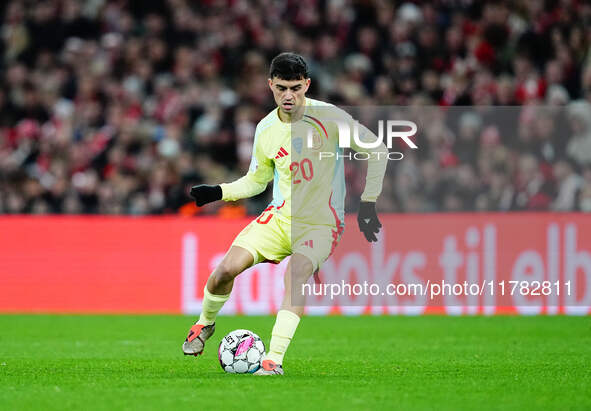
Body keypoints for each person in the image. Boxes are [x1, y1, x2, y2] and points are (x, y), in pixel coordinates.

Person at [182, 52, 388, 375]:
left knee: (296, 275)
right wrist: (218, 192)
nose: (288, 96)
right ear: (270, 86)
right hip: (279, 218)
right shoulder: (266, 129)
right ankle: (205, 324)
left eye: (295, 88)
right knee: (224, 271)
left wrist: (368, 202)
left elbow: (378, 150)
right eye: (281, 88)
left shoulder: (330, 118)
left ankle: (273, 360)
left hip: (321, 223)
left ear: (307, 84)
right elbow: (257, 180)